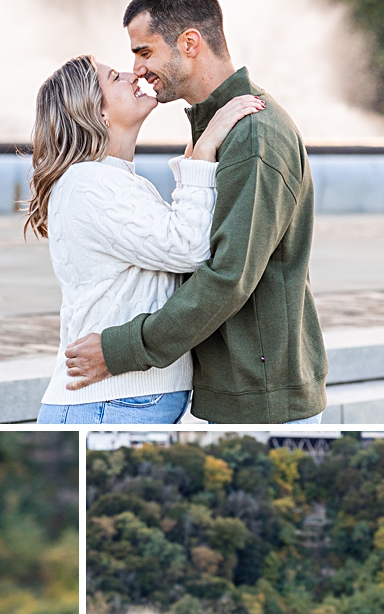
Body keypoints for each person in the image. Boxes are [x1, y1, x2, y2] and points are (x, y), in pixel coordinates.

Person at [63, 0, 329, 424]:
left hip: (262, 401)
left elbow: (227, 277)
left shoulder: (253, 135)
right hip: (242, 390)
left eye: (144, 52)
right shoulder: (221, 128)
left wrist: (120, 349)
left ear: (189, 43)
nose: (139, 70)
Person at [26, 54, 264, 424]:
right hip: (108, 403)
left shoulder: (114, 181)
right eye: (114, 77)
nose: (133, 73)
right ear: (98, 112)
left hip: (120, 401)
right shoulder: (90, 184)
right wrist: (201, 156)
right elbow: (191, 249)